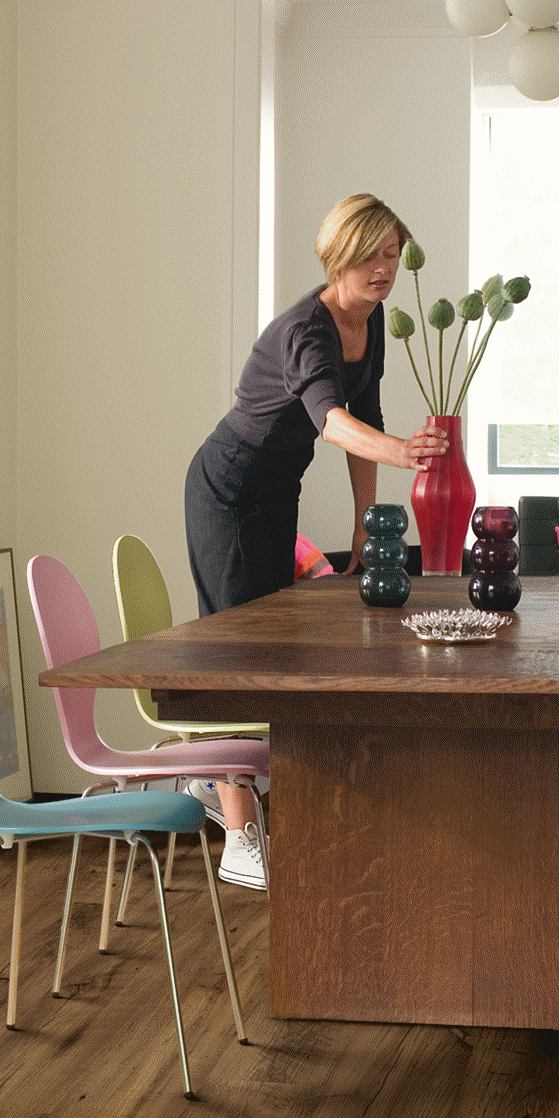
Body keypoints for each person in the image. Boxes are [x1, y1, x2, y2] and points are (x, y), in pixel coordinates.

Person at [182, 192, 449, 889]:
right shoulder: (308, 328)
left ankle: (214, 780)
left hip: (277, 491)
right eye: (369, 255)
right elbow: (330, 421)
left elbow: (367, 412)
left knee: (276, 646)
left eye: (391, 253)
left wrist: (366, 513)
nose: (383, 268)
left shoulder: (373, 320)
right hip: (227, 489)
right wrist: (405, 454)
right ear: (338, 256)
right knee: (239, 652)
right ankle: (239, 834)